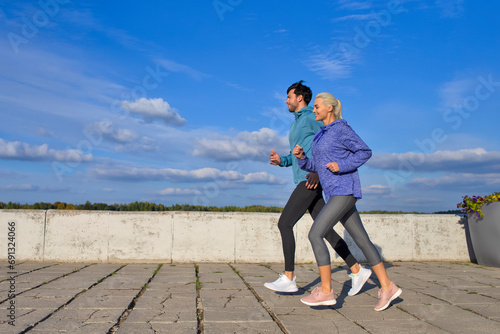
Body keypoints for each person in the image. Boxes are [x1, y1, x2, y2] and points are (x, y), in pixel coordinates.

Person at [292, 92, 402, 311]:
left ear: (329, 108)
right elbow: (319, 166)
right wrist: (302, 158)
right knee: (362, 240)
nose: (313, 110)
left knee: (315, 234)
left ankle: (325, 291)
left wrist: (342, 166)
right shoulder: (321, 135)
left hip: (344, 191)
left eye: (316, 106)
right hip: (334, 194)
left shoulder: (342, 129)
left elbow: (364, 151)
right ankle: (388, 287)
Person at [264, 81, 372, 299]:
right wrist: (281, 160)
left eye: (289, 96)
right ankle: (357, 270)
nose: (286, 101)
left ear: (299, 98)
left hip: (310, 180)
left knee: (284, 223)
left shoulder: (310, 119)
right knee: (326, 231)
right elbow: (297, 156)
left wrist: (317, 172)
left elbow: (326, 142)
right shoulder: (296, 123)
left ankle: (289, 278)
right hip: (304, 177)